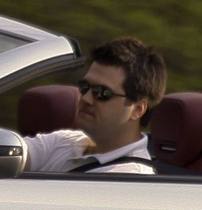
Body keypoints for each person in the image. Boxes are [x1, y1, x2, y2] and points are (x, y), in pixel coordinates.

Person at [25, 37, 167, 175]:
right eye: (85, 87)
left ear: (137, 109)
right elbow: (14, 152)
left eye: (102, 93)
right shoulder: (65, 141)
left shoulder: (129, 178)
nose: (86, 99)